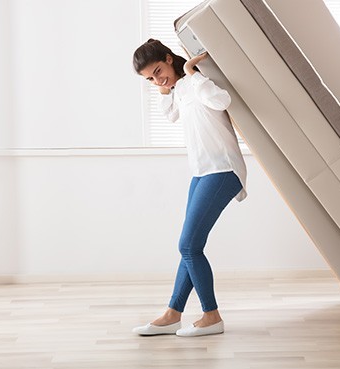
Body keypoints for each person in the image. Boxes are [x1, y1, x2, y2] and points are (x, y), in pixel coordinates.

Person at [131, 39, 247, 337]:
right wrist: (164, 87)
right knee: (190, 247)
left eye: (158, 71)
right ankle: (173, 313)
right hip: (201, 172)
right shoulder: (179, 91)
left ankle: (212, 316)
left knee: (188, 246)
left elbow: (222, 102)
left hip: (222, 169)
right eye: (150, 79)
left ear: (169, 59)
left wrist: (190, 71)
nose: (158, 80)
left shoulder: (197, 82)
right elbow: (170, 114)